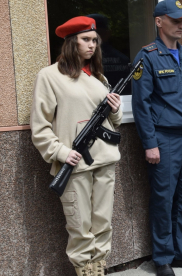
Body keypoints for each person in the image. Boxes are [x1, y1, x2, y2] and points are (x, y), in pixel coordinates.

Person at [30, 16, 122, 276]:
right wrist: (60, 152)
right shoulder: (49, 76)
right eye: (86, 40)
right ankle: (85, 271)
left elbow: (112, 121)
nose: (92, 45)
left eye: (95, 40)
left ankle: (99, 267)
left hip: (104, 159)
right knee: (80, 226)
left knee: (103, 223)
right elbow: (40, 126)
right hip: (75, 162)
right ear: (72, 42)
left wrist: (115, 109)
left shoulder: (100, 77)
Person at [131, 1, 182, 276]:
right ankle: (162, 258)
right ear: (158, 22)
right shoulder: (147, 56)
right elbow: (141, 105)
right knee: (163, 199)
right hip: (163, 138)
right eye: (175, 19)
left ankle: (181, 253)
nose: (181, 24)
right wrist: (150, 143)